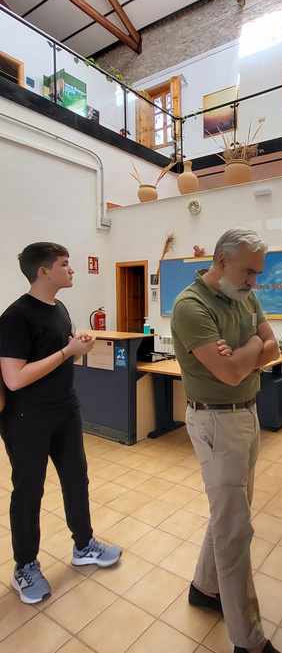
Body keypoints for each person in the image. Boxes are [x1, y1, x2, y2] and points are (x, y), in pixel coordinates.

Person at [171, 228, 282, 653]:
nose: (255, 281)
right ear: (220, 260)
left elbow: (274, 347)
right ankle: (247, 640)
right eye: (248, 271)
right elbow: (231, 372)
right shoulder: (191, 305)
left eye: (257, 273)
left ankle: (204, 587)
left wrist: (248, 349)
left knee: (229, 513)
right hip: (216, 423)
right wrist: (255, 347)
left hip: (246, 414)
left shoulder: (245, 295)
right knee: (235, 529)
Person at [0, 242, 122, 605]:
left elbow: (57, 349)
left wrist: (75, 342)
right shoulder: (15, 317)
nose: (72, 271)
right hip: (26, 418)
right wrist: (68, 352)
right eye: (65, 265)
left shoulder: (60, 307)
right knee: (28, 492)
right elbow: (15, 378)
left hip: (65, 410)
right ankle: (24, 567)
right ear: (43, 272)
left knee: (76, 479)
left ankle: (84, 546)